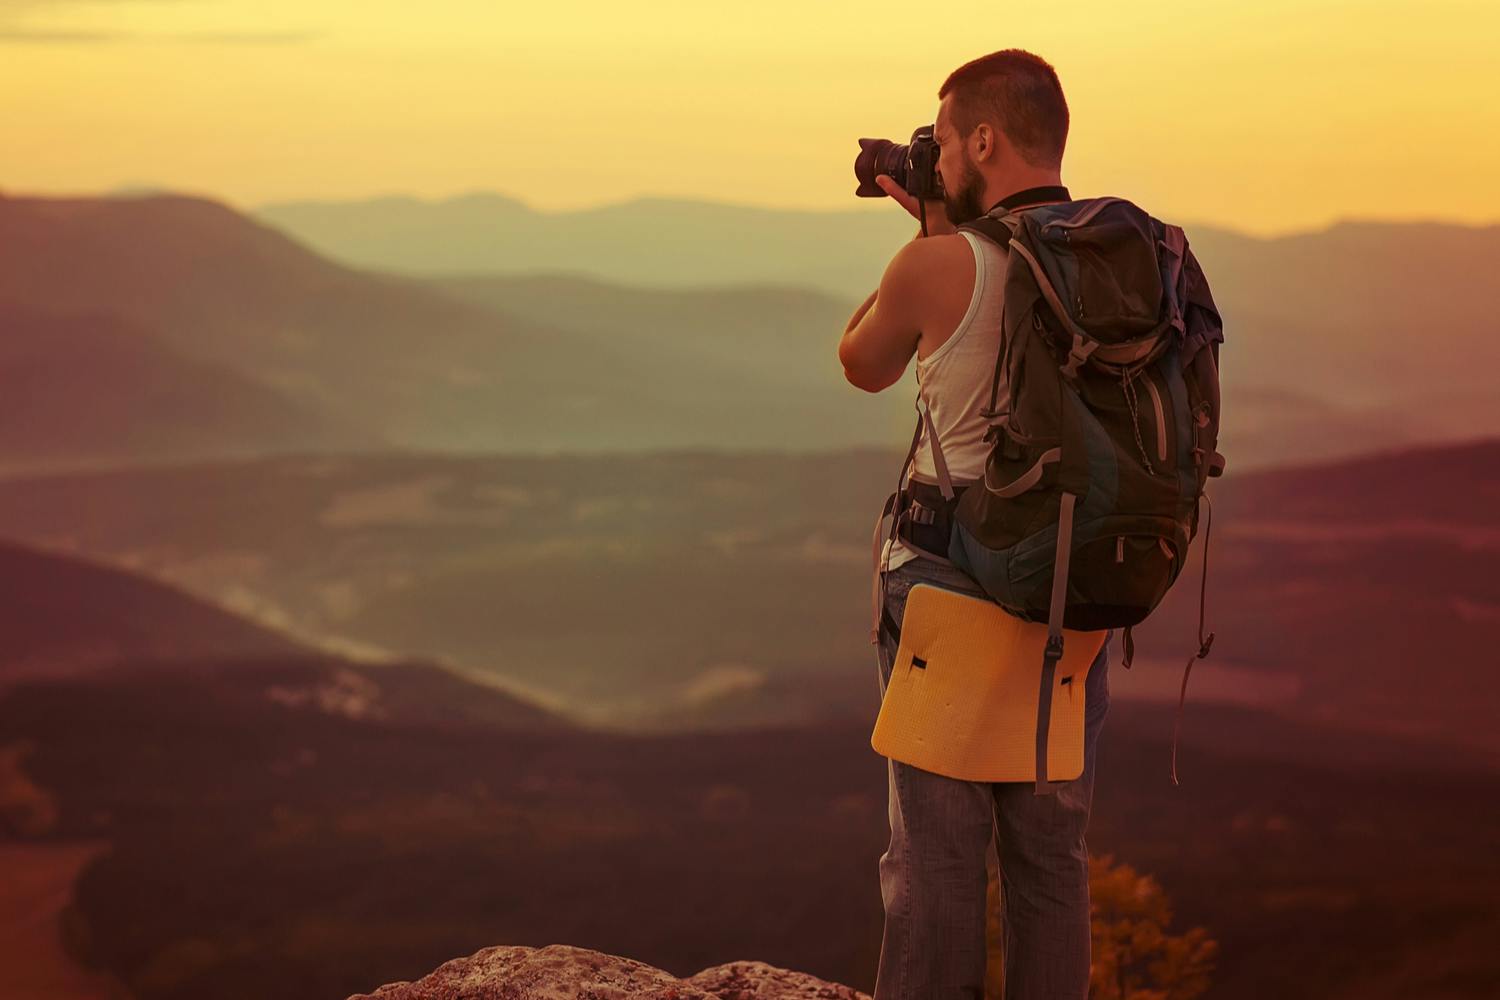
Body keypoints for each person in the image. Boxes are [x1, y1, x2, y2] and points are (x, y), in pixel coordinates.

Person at [837, 49, 1114, 1000]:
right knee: (1051, 859)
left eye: (945, 140)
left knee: (938, 861)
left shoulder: (935, 263)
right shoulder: (1123, 262)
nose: (937, 156)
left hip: (948, 588)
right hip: (1077, 591)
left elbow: (861, 363)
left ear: (984, 140)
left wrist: (928, 236)